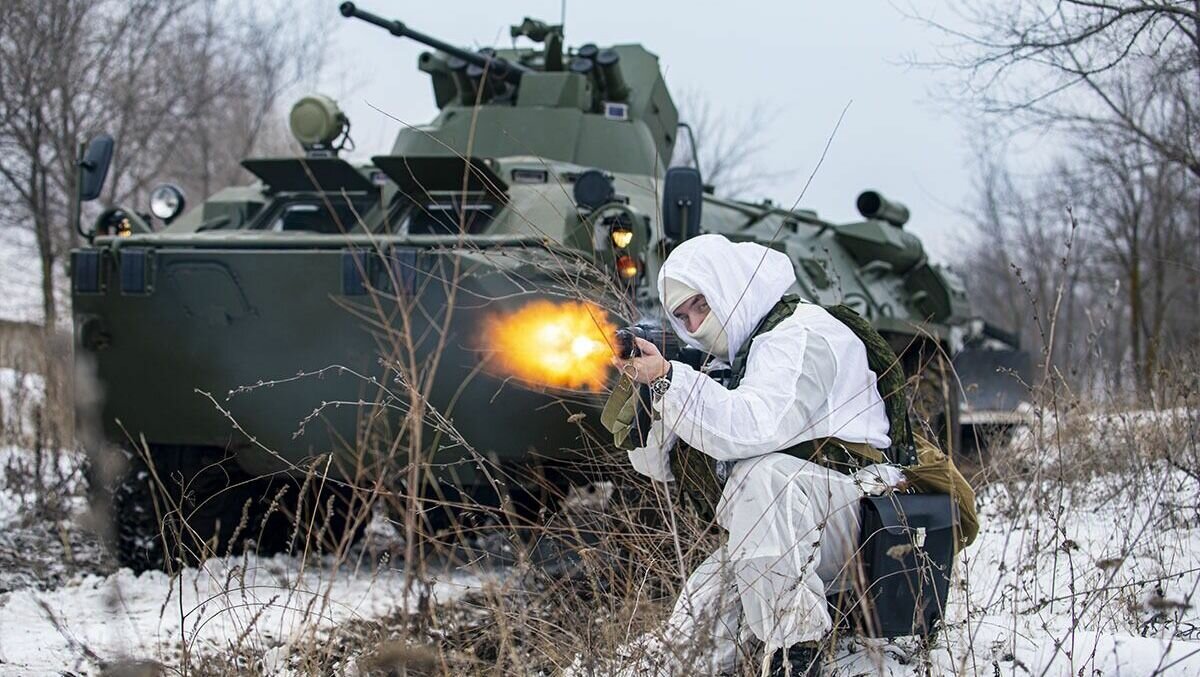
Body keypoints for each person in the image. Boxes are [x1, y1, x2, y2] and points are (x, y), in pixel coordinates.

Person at [611, 233, 906, 676]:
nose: (693, 326)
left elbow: (756, 425)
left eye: (701, 306)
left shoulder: (801, 335)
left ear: (729, 287)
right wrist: (648, 401)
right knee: (680, 653)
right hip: (786, 530)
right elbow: (658, 469)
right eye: (681, 317)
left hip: (864, 515)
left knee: (762, 478)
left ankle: (797, 652)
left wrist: (672, 379)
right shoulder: (740, 355)